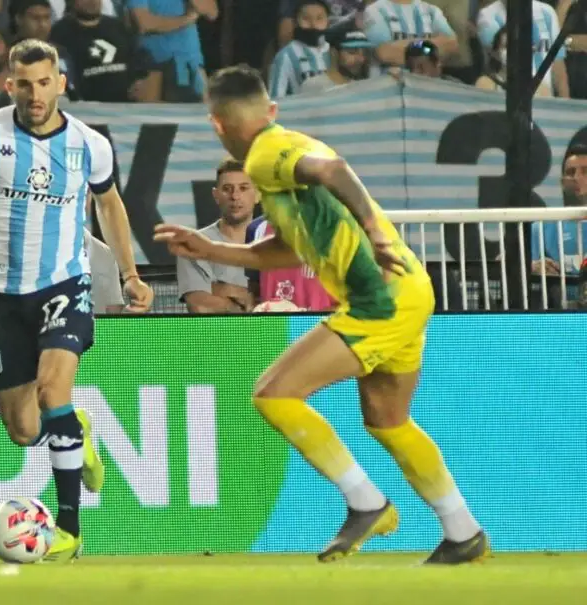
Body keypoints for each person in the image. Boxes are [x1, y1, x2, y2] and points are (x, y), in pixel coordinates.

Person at [154, 65, 488, 565]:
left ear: (217, 124)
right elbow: (290, 249)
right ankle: (464, 532)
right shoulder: (280, 157)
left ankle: (365, 502)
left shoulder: (267, 154)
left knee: (273, 394)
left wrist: (374, 230)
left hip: (379, 299)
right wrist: (210, 250)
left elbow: (333, 172)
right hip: (410, 289)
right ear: (271, 109)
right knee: (388, 421)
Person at [0, 39, 154, 562]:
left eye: (44, 83)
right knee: (23, 429)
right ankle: (74, 429)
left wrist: (130, 273)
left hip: (64, 284)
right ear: (9, 84)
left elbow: (110, 206)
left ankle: (70, 529)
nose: (35, 94)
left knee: (53, 389)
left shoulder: (88, 144)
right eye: (24, 84)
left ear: (60, 82)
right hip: (2, 295)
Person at [177, 158, 256, 313]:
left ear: (258, 194)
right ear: (216, 195)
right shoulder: (193, 244)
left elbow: (287, 301)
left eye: (243, 188)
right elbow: (200, 307)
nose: (235, 196)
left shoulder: (276, 243)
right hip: (218, 336)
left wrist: (221, 289)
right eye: (227, 188)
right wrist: (250, 301)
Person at [50, 0, 152, 102]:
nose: (92, 2)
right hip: (85, 107)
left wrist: (139, 81)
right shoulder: (60, 33)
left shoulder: (118, 26)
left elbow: (138, 58)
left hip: (126, 104)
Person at [531, 144, 587, 305]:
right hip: (559, 317)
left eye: (585, 171)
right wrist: (532, 266)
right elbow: (504, 261)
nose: (576, 177)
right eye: (570, 172)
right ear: (562, 182)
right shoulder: (542, 227)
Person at [477, 0, 569, 98]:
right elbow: (500, 57)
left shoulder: (548, 12)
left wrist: (565, 100)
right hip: (502, 95)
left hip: (544, 97)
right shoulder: (487, 16)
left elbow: (558, 62)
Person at [364, 0, 459, 70]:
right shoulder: (374, 11)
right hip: (390, 88)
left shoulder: (432, 10)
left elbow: (451, 45)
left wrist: (404, 47)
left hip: (429, 85)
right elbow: (386, 53)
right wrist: (431, 47)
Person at [268, 0, 331, 98]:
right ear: (296, 22)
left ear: (328, 22)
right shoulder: (286, 55)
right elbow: (276, 98)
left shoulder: (334, 52)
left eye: (319, 18)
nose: (313, 24)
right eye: (306, 18)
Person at [302, 26, 372, 93]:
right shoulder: (315, 85)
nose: (361, 59)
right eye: (352, 51)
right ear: (333, 53)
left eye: (364, 51)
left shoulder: (365, 84)